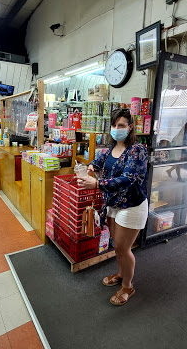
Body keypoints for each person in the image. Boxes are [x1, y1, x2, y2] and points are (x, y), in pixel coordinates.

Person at [77, 108, 148, 306]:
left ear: (130, 127)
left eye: (122, 125)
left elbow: (127, 178)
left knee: (123, 248)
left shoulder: (137, 150)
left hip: (131, 205)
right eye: (115, 125)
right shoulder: (111, 148)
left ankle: (128, 286)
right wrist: (91, 167)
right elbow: (99, 162)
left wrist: (97, 184)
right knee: (117, 245)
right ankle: (120, 273)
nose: (117, 129)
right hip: (113, 204)